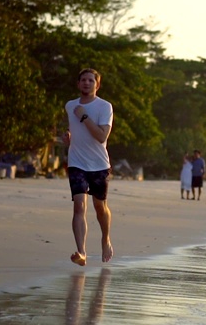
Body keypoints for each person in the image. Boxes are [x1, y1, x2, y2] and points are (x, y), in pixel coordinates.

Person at [63, 68, 114, 266]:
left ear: (97, 85)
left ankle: (105, 238)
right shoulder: (70, 105)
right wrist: (67, 136)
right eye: (83, 80)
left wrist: (84, 117)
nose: (86, 83)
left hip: (99, 164)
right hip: (77, 162)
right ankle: (81, 251)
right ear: (78, 84)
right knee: (79, 205)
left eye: (90, 80)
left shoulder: (104, 107)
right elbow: (72, 128)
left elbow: (102, 136)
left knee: (100, 207)